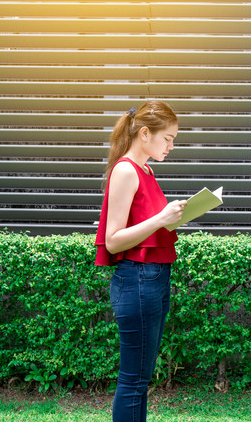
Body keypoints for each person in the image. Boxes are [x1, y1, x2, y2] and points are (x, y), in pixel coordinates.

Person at [94, 100, 187, 422]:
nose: (172, 146)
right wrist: (161, 218)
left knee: (140, 378)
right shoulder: (125, 170)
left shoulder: (145, 170)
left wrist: (171, 218)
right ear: (145, 133)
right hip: (137, 279)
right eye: (168, 138)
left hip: (154, 277)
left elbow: (145, 228)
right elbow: (113, 239)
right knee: (134, 380)